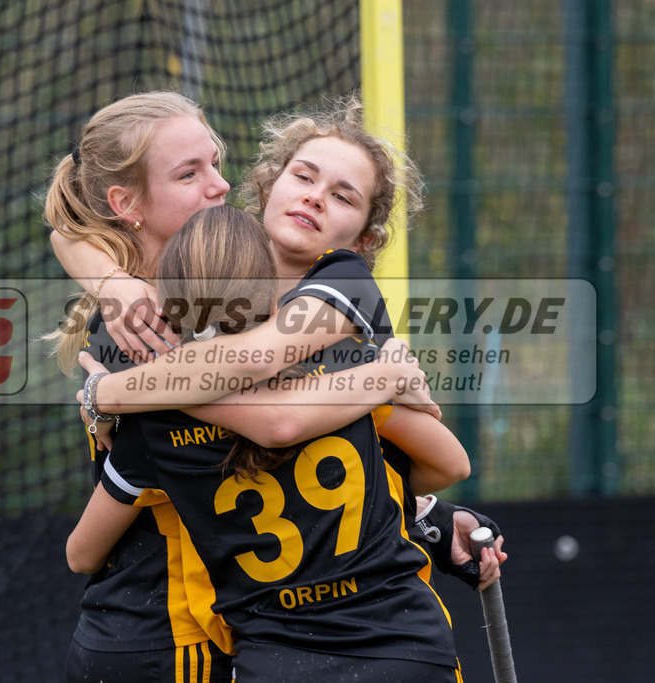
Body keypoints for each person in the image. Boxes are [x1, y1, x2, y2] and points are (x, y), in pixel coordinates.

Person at [72, 95, 505, 587]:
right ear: (267, 186)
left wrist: (111, 393)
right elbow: (65, 233)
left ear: (364, 239)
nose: (316, 196)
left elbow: (432, 460)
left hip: (355, 603)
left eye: (344, 197)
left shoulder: (341, 285)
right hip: (223, 611)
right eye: (303, 176)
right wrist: (108, 281)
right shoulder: (185, 293)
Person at [72, 205, 471, 681]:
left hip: (275, 659)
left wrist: (107, 400)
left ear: (168, 307)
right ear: (282, 302)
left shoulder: (154, 422)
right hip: (402, 643)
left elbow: (81, 554)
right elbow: (452, 464)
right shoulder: (351, 370)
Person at [42, 91, 234, 683]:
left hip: (163, 629)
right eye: (189, 173)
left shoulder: (182, 292)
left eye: (216, 163)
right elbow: (280, 436)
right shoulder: (147, 331)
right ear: (128, 205)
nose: (220, 185)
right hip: (171, 637)